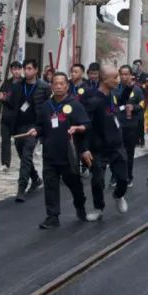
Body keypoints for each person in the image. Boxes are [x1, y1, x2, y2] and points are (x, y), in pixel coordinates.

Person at [30, 72, 89, 228]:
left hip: (68, 155)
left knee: (74, 184)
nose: (58, 86)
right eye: (55, 83)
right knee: (50, 185)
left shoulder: (75, 105)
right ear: (51, 86)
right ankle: (52, 216)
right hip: (50, 153)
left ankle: (80, 205)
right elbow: (40, 125)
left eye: (62, 83)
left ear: (67, 86)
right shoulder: (46, 106)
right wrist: (36, 130)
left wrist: (78, 128)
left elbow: (86, 125)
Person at [82, 65, 130, 219]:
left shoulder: (112, 95)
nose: (118, 80)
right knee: (98, 181)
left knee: (122, 178)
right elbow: (86, 125)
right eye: (115, 77)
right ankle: (98, 208)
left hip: (116, 145)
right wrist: (85, 148)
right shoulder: (92, 99)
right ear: (104, 79)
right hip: (98, 148)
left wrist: (129, 88)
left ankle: (119, 195)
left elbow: (119, 104)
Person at [7, 59, 48, 201]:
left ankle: (21, 188)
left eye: (30, 68)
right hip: (19, 125)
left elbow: (48, 107)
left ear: (36, 70)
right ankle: (35, 178)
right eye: (25, 68)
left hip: (34, 126)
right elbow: (11, 104)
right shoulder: (18, 86)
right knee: (21, 154)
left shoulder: (44, 87)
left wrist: (43, 127)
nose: (27, 71)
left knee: (26, 156)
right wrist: (1, 97)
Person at [117, 65, 145, 182]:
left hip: (131, 124)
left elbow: (142, 104)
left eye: (126, 74)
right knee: (117, 151)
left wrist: (134, 107)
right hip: (118, 124)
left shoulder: (136, 89)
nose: (124, 77)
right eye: (122, 74)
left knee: (129, 152)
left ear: (130, 75)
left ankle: (129, 175)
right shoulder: (115, 88)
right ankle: (116, 175)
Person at [0, 61, 23, 170]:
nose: (16, 71)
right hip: (6, 117)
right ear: (11, 70)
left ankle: (24, 162)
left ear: (21, 70)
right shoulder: (7, 83)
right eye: (14, 69)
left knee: (19, 142)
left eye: (18, 69)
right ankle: (5, 163)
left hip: (19, 118)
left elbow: (15, 101)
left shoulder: (24, 83)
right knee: (5, 141)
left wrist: (4, 99)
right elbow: (1, 95)